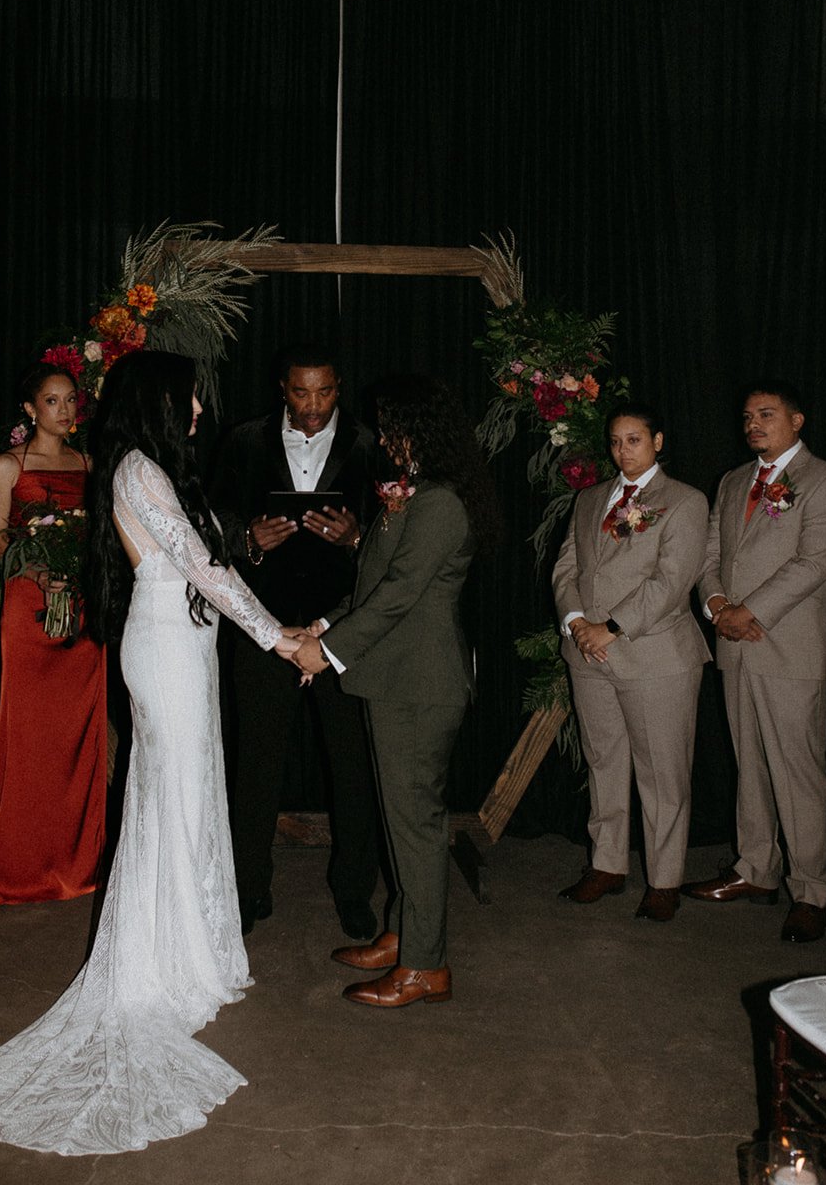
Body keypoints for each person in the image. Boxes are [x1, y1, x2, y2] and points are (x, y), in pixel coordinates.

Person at [0, 351, 305, 1155]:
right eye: (189, 400)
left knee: (184, 793)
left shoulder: (150, 468)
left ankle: (192, 948)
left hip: (181, 643)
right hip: (166, 645)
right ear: (161, 403)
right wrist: (277, 637)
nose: (198, 411)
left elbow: (213, 560)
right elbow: (201, 568)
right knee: (176, 793)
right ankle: (166, 965)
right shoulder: (139, 472)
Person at [295, 374, 500, 1009]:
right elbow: (371, 582)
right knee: (401, 821)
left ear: (421, 428)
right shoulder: (420, 494)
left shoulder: (439, 503)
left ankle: (425, 967)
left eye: (393, 425)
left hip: (419, 685)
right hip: (395, 680)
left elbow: (400, 594)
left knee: (416, 827)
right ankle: (407, 933)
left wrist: (325, 654)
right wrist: (323, 625)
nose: (385, 436)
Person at [210, 343, 383, 938]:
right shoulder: (242, 440)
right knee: (255, 764)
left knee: (354, 767)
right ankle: (248, 888)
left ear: (340, 387)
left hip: (346, 629)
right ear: (281, 388)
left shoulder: (370, 443)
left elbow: (395, 536)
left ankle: (355, 890)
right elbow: (211, 523)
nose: (313, 407)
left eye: (325, 392)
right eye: (301, 393)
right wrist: (250, 538)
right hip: (264, 626)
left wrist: (358, 536)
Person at [686, 382, 826, 943]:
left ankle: (812, 890)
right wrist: (715, 607)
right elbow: (709, 554)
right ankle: (756, 868)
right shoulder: (734, 481)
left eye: (766, 414)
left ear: (798, 420)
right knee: (749, 764)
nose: (753, 424)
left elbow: (815, 563)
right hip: (735, 645)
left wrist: (749, 611)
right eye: (747, 417)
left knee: (798, 772)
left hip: (788, 647)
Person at [551, 405, 709, 923]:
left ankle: (664, 879)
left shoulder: (684, 501)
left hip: (655, 655)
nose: (624, 450)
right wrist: (577, 622)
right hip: (588, 654)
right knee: (604, 762)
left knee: (662, 775)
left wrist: (610, 628)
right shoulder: (590, 498)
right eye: (616, 441)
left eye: (635, 440)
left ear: (657, 441)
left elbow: (672, 581)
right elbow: (566, 566)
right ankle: (608, 864)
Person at [0, 365, 107, 904]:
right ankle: (22, 867)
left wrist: (81, 570)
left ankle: (77, 864)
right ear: (30, 411)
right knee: (30, 739)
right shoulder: (8, 466)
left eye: (70, 400)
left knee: (79, 738)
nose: (65, 411)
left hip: (80, 610)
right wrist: (35, 569)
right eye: (52, 402)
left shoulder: (90, 463)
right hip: (29, 610)